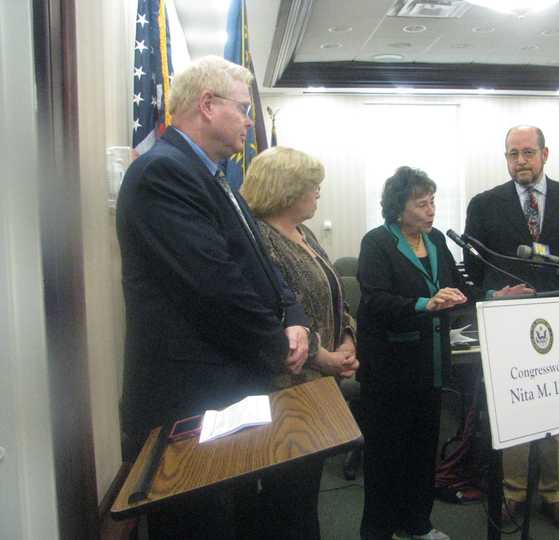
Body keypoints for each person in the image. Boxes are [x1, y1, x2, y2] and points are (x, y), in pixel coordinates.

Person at [116, 56, 310, 539]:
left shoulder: (217, 177)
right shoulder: (163, 174)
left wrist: (295, 315)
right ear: (207, 105)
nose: (250, 120)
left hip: (224, 400)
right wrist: (279, 345)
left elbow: (264, 267)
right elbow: (216, 288)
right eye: (244, 109)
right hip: (189, 406)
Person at [464, 125, 559, 532]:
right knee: (517, 405)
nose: (519, 161)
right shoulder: (484, 204)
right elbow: (475, 267)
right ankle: (514, 492)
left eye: (527, 153)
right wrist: (499, 295)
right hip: (508, 322)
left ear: (545, 154)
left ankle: (556, 494)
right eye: (511, 154)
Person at [356, 166, 467, 540]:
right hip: (390, 372)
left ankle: (418, 524)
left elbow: (456, 286)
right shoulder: (377, 242)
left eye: (433, 202)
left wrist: (493, 297)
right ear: (398, 208)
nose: (430, 210)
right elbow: (375, 301)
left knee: (422, 454)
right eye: (422, 204)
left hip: (430, 368)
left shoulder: (436, 240)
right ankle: (378, 531)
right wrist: (425, 304)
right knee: (386, 457)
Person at [242, 146, 358, 387]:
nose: (318, 194)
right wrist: (325, 359)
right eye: (313, 187)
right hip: (290, 384)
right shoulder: (259, 239)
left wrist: (347, 342)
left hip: (326, 379)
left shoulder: (304, 233)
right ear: (287, 191)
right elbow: (271, 317)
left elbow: (335, 296)